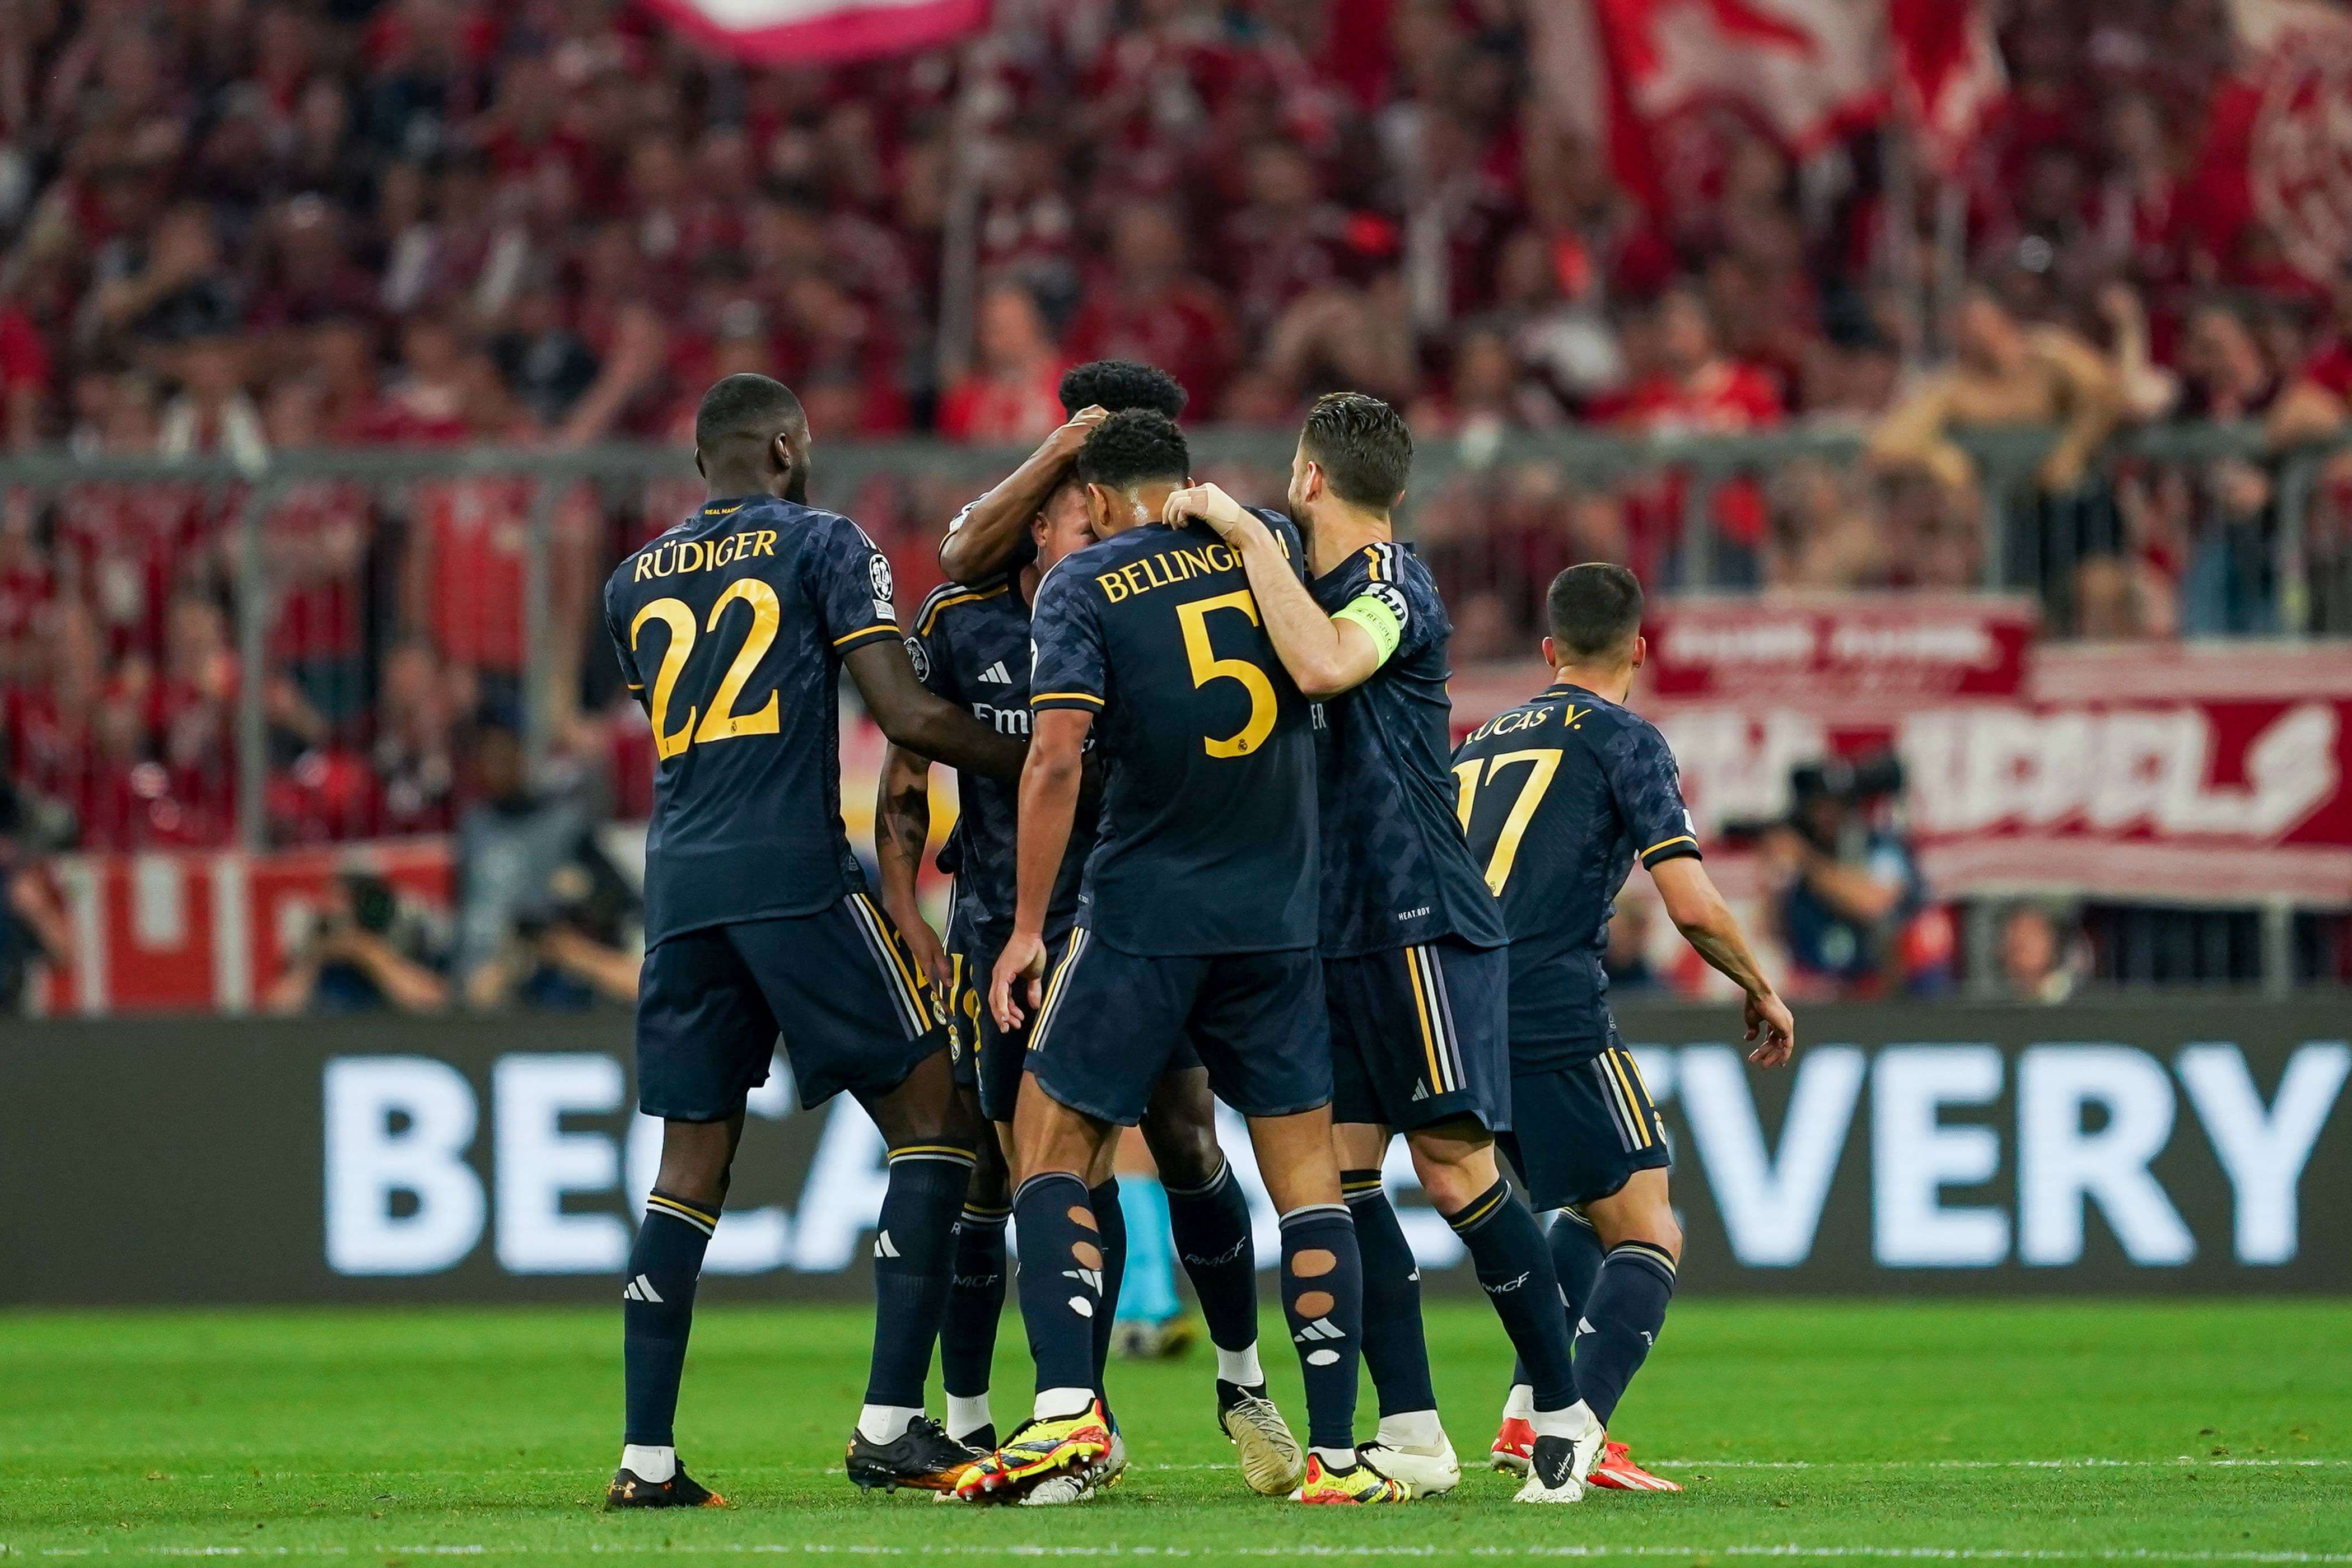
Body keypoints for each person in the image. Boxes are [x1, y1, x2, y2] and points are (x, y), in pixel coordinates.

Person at [598, 373, 1027, 1509]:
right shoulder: (825, 542)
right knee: (941, 1120)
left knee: (689, 1168)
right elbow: (909, 715)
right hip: (790, 868)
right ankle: (892, 1424)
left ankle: (647, 1459)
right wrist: (1047, 765)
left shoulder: (631, 579)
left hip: (680, 880)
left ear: (706, 464)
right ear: (788, 446)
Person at [1166, 394, 1589, 1504]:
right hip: (1332, 927)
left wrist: (1246, 532)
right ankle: (1412, 1427)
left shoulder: (1396, 587)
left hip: (1419, 915)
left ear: (1313, 478)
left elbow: (1321, 669)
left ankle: (1563, 1408)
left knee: (1456, 1168)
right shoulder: (1303, 580)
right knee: (1344, 1177)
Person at [975, 410, 1401, 1506]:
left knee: (1048, 1145)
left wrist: (1027, 927)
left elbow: (1058, 756)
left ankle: (1067, 1413)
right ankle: (1341, 1454)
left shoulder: (1084, 584)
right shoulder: (1267, 541)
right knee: (1309, 1178)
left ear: (1103, 498)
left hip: (1142, 913)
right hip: (1277, 915)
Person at [886, 358, 1282, 1495]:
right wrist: (912, 911)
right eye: (1064, 508)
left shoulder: (1154, 594)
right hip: (1001, 923)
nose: (1080, 527)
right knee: (1007, 1166)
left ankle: (1237, 1379)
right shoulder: (966, 613)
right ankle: (993, 1415)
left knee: (1186, 1136)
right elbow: (906, 771)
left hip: (1128, 915)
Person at [1454, 563, 1795, 1498]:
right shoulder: (1625, 738)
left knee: (1592, 1209)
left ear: (1548, 651)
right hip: (1549, 1003)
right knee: (1651, 1226)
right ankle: (1578, 1439)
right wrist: (1760, 984)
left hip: (1454, 1006)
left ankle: (1527, 1421)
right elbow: (1688, 902)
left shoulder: (1478, 741)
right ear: (1640, 649)